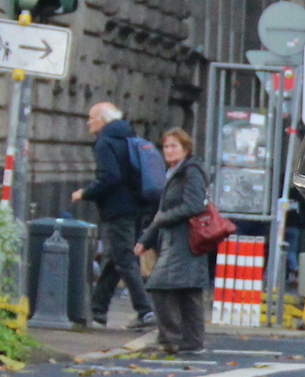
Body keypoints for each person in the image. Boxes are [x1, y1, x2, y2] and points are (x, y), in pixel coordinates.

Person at [77, 101, 153, 330]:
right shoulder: (129, 137)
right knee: (114, 258)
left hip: (117, 210)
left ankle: (146, 310)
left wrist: (85, 192)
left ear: (102, 119)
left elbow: (110, 177)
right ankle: (97, 311)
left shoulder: (105, 142)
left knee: (124, 259)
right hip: (136, 206)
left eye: (91, 117)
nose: (89, 122)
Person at [139, 128, 209, 355]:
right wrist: (146, 240)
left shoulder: (191, 172)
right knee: (188, 291)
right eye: (166, 146)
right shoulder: (173, 172)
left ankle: (171, 339)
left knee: (160, 286)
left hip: (185, 239)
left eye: (174, 146)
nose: (168, 151)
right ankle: (191, 342)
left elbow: (194, 205)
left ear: (185, 149)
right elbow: (162, 210)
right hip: (174, 239)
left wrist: (164, 219)